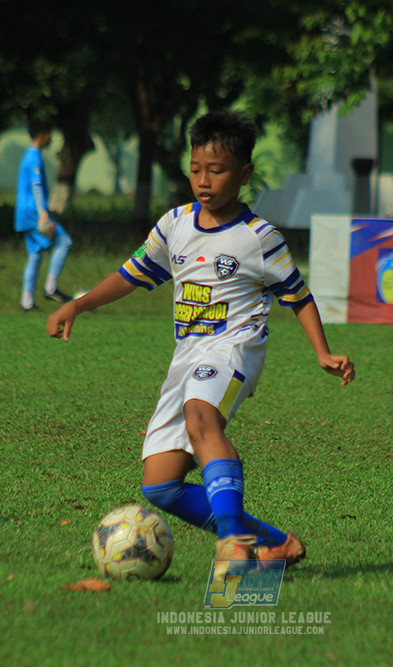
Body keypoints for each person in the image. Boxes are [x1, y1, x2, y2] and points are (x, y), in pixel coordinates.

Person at [47, 111, 355, 568]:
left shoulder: (259, 238)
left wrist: (322, 352)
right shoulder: (174, 225)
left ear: (244, 174)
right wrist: (78, 304)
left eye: (218, 170)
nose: (204, 181)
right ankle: (275, 541)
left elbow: (298, 296)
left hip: (235, 348)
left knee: (200, 416)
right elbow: (132, 275)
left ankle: (233, 541)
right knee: (161, 486)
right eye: (196, 169)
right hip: (187, 355)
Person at [15, 120, 73, 311]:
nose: (50, 138)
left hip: (23, 213)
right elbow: (36, 185)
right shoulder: (34, 157)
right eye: (49, 134)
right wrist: (42, 214)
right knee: (64, 241)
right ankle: (51, 288)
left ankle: (27, 303)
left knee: (35, 254)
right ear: (41, 135)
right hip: (34, 212)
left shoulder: (29, 155)